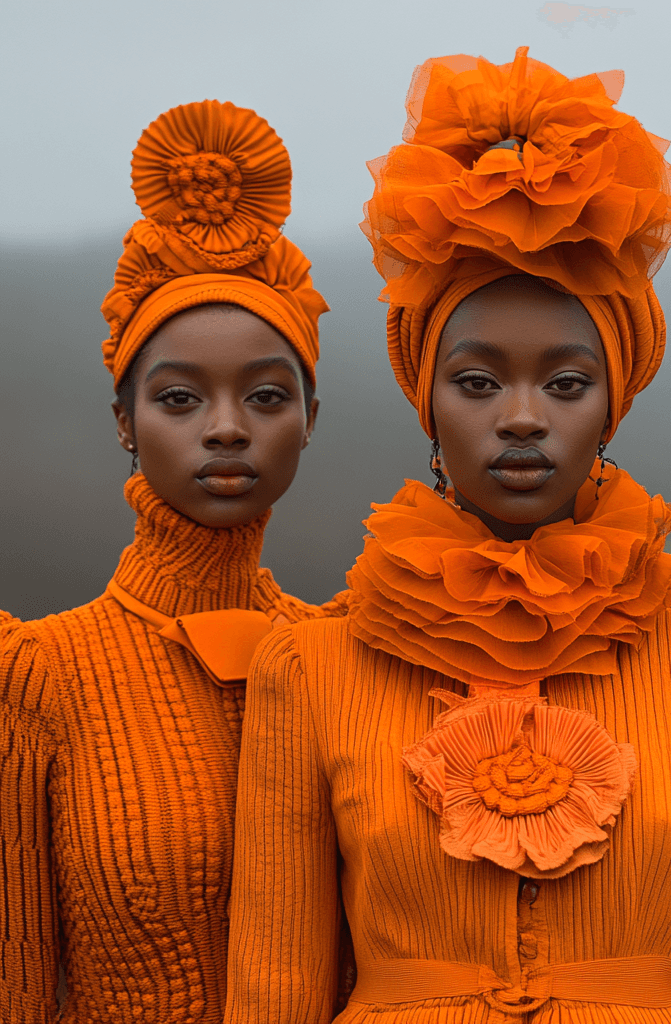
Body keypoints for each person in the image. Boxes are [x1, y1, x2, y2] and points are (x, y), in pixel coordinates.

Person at [224, 47, 671, 1023]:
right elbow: (271, 989)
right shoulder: (308, 668)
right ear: (423, 397)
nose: (519, 416)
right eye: (474, 381)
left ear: (614, 403)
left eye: (565, 382)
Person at [0, 99, 345, 1023]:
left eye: (267, 395)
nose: (226, 428)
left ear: (311, 418)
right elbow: (18, 978)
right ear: (124, 422)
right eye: (181, 398)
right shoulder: (41, 675)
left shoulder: (353, 658)